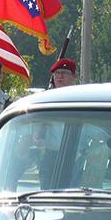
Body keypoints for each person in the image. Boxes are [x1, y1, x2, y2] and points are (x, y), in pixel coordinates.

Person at [37, 57, 76, 187]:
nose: (60, 77)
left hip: (74, 156)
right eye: (57, 73)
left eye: (64, 73)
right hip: (50, 154)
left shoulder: (79, 99)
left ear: (73, 77)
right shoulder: (46, 101)